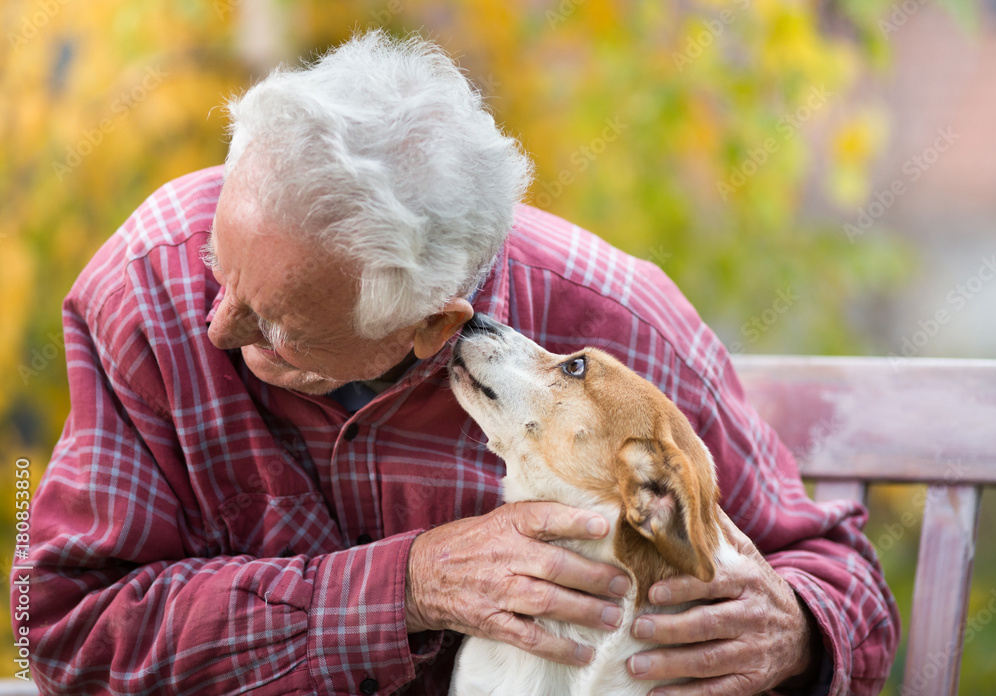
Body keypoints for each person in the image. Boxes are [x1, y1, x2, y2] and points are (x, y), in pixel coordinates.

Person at [14, 30, 898, 695]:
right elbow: (55, 627)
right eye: (220, 262)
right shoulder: (147, 286)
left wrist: (798, 631)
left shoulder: (611, 332)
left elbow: (837, 577)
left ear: (436, 326)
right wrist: (403, 586)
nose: (215, 326)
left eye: (277, 324)